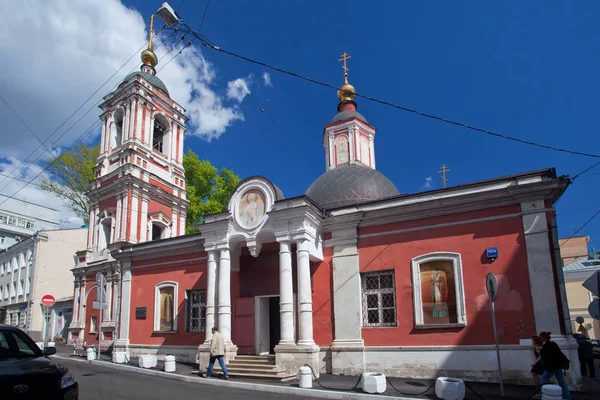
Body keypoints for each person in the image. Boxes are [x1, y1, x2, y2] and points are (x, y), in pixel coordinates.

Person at [534, 332, 571, 400]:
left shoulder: (545, 347)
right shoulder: (553, 344)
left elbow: (546, 359)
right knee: (561, 381)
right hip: (559, 365)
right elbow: (559, 354)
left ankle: (542, 393)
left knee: (543, 378)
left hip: (552, 367)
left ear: (543, 337)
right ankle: (567, 397)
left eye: (541, 337)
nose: (540, 338)